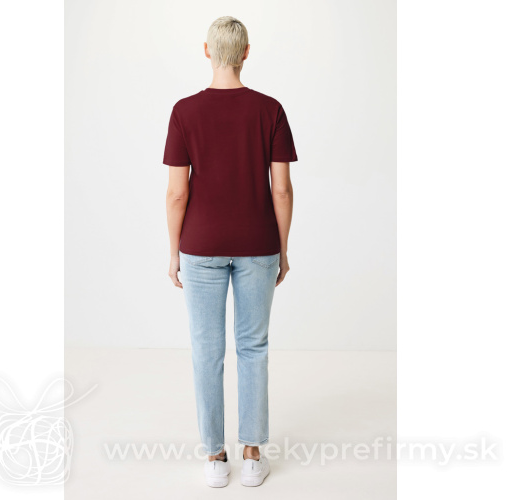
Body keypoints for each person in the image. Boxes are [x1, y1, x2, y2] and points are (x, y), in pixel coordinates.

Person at [163, 16, 297, 488]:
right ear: (246, 52)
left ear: (207, 51)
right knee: (253, 347)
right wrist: (282, 249)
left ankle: (215, 457)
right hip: (258, 243)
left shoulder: (184, 112)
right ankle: (253, 454)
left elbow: (177, 193)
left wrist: (174, 251)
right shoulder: (270, 110)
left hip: (201, 245)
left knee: (206, 349)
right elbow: (282, 189)